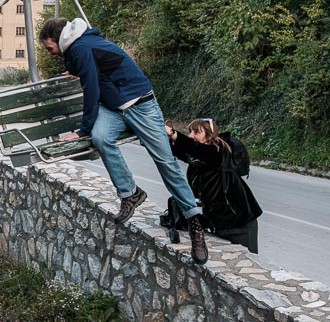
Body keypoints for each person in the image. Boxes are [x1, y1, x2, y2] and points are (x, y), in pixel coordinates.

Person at [39, 17, 209, 265]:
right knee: (100, 137)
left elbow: (91, 89)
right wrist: (77, 70)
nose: (49, 52)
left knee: (165, 162)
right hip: (115, 108)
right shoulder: (80, 45)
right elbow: (100, 67)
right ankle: (131, 193)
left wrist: (82, 130)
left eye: (49, 47)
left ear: (59, 39)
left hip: (141, 105)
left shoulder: (80, 47)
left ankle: (194, 221)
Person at [166, 118, 263, 253]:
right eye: (190, 132)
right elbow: (179, 150)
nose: (191, 136)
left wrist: (173, 133)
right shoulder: (197, 159)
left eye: (196, 132)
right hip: (221, 221)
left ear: (209, 135)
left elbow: (194, 148)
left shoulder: (218, 152)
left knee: (247, 258)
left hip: (240, 222)